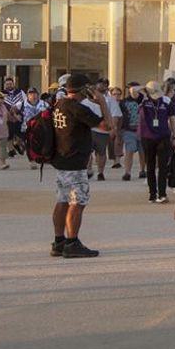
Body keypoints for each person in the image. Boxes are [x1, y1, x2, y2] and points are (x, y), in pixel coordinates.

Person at [48, 72, 113, 258]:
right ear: (84, 89)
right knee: (77, 203)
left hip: (62, 160)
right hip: (75, 162)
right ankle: (72, 243)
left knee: (62, 201)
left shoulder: (59, 104)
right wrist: (101, 101)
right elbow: (108, 126)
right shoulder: (77, 108)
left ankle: (59, 241)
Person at [138, 79, 175, 204]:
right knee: (150, 166)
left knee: (163, 166)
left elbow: (172, 118)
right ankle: (152, 194)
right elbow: (132, 90)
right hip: (147, 137)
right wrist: (145, 89)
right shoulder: (143, 100)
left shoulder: (166, 101)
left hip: (163, 136)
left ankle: (162, 194)